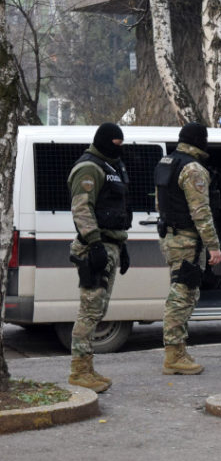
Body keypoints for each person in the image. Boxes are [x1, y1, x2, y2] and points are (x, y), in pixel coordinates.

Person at [66, 123, 132, 393]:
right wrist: (94, 244)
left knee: (98, 310)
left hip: (109, 244)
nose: (118, 148)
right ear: (104, 141)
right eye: (115, 143)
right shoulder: (89, 167)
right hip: (94, 246)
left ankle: (87, 367)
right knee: (90, 310)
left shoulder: (112, 166)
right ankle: (79, 371)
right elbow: (82, 209)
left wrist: (121, 246)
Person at [155, 122, 221, 375]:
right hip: (186, 240)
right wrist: (213, 246)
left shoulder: (167, 162)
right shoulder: (193, 169)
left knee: (183, 293)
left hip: (171, 237)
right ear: (200, 141)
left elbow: (161, 204)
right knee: (182, 296)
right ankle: (174, 355)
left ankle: (179, 350)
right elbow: (201, 212)